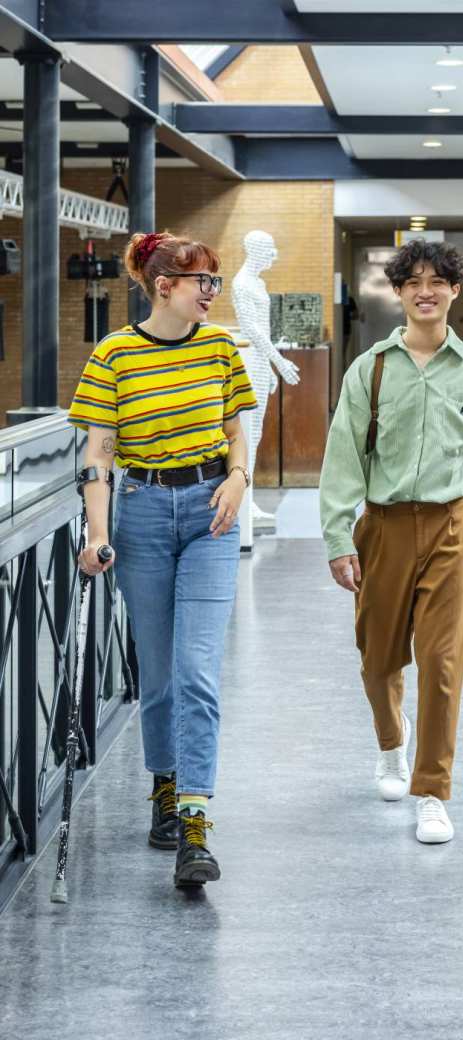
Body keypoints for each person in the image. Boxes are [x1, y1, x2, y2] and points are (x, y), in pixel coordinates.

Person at [68, 230, 257, 890]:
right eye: (201, 281)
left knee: (198, 667)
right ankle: (165, 786)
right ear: (163, 287)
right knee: (160, 674)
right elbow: (97, 452)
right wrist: (98, 535)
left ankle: (195, 821)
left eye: (215, 280)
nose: (212, 291)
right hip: (142, 514)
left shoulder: (219, 348)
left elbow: (236, 429)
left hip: (211, 512)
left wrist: (237, 478)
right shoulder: (115, 355)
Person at [319, 239, 463, 845]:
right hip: (382, 527)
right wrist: (337, 536)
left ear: (455, 292)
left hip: (451, 527)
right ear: (401, 293)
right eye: (414, 282)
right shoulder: (371, 369)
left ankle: (432, 790)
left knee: (440, 661)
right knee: (379, 659)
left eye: (438, 281)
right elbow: (343, 459)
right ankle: (391, 743)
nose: (426, 291)